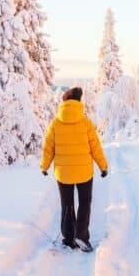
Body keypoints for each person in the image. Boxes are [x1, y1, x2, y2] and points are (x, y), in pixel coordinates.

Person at [40, 87, 108, 252]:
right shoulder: (85, 122)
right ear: (78, 102)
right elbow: (95, 147)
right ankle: (82, 236)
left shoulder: (55, 123)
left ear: (64, 102)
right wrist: (103, 166)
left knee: (67, 204)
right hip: (84, 172)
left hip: (63, 173)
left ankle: (69, 238)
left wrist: (44, 166)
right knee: (84, 203)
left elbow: (48, 147)